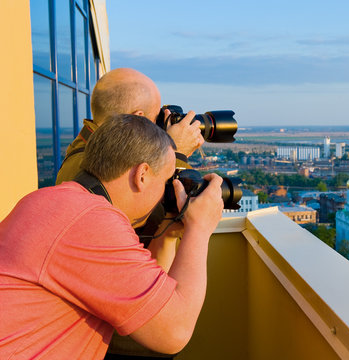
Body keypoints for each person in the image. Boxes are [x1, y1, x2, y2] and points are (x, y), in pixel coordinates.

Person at [0, 114, 224, 360]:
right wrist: (200, 227)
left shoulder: (51, 201)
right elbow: (174, 332)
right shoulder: (91, 220)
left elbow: (141, 297)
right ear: (142, 175)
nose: (167, 191)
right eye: (166, 180)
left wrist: (169, 232)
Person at [56, 67, 203, 185]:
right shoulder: (98, 168)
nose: (157, 126)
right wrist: (176, 153)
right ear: (137, 118)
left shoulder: (94, 150)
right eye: (155, 117)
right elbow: (163, 212)